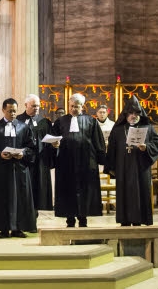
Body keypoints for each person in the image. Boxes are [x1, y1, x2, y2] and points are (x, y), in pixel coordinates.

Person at [0, 97, 37, 237]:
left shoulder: (24, 128)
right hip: (2, 170)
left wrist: (23, 153)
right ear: (3, 110)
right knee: (2, 198)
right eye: (9, 111)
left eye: (14, 111)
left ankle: (18, 228)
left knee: (21, 198)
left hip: (20, 170)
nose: (12, 114)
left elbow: (32, 148)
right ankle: (3, 228)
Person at [105, 96, 158, 226]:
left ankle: (140, 219)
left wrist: (147, 147)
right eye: (130, 113)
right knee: (124, 193)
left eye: (136, 113)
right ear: (126, 114)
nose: (133, 116)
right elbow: (111, 149)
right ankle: (125, 220)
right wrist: (111, 167)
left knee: (141, 191)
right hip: (123, 167)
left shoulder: (147, 127)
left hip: (140, 167)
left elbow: (157, 143)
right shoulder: (118, 130)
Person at [52, 93, 106, 228]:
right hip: (66, 162)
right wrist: (54, 146)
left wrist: (100, 160)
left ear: (82, 106)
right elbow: (52, 139)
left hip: (86, 163)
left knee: (85, 191)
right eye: (71, 106)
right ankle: (69, 220)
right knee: (67, 191)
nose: (73, 109)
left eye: (76, 106)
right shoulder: (60, 121)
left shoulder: (91, 121)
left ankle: (83, 220)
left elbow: (98, 142)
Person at [16, 94, 54, 212]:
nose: (36, 108)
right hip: (23, 161)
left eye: (38, 106)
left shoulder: (44, 122)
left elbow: (50, 140)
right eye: (33, 106)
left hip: (40, 161)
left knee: (38, 188)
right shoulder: (18, 120)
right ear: (26, 105)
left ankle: (35, 213)